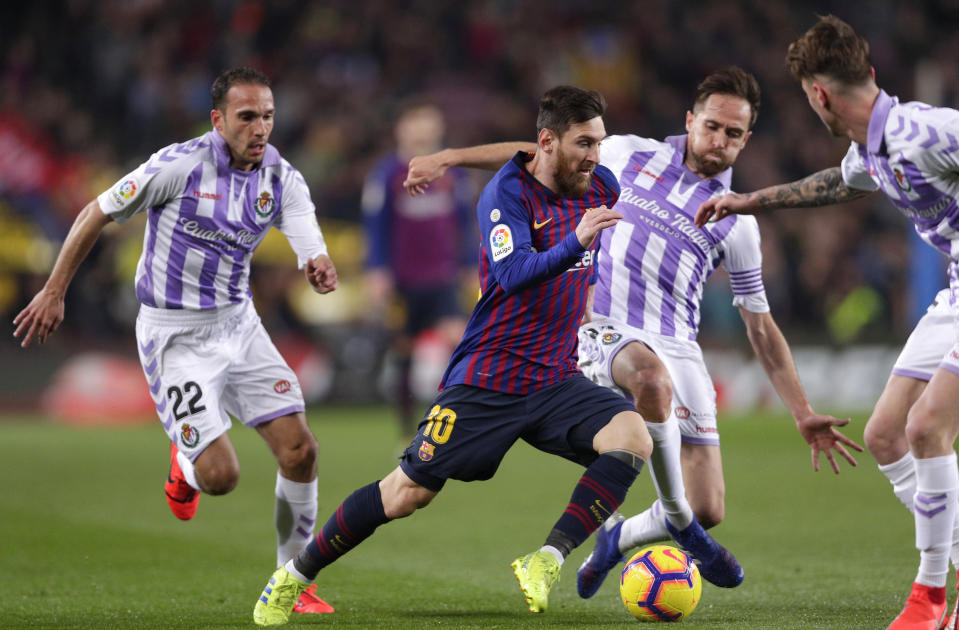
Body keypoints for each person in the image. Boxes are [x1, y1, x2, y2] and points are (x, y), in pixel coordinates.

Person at [404, 66, 862, 599]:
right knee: (649, 379)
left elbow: (761, 327)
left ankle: (621, 535)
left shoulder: (740, 222)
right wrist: (449, 157)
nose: (719, 142)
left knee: (709, 505)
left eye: (733, 134)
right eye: (711, 126)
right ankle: (676, 521)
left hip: (678, 345)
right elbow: (537, 154)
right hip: (603, 325)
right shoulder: (627, 153)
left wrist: (803, 412)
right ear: (690, 120)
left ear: (746, 139)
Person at [252, 85, 652, 626]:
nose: (595, 156)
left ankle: (546, 560)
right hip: (489, 377)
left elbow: (534, 153)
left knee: (632, 440)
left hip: (556, 376)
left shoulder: (598, 182)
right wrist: (576, 242)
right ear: (549, 142)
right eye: (585, 143)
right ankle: (293, 575)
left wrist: (449, 156)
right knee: (405, 494)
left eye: (599, 142)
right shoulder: (505, 195)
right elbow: (512, 277)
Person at [13, 67, 337, 615]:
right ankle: (185, 464)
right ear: (218, 120)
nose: (261, 129)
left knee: (301, 450)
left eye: (268, 116)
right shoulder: (179, 165)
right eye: (247, 117)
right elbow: (97, 211)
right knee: (221, 477)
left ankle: (292, 580)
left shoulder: (281, 178)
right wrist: (54, 290)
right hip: (175, 336)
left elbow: (307, 236)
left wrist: (318, 263)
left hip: (239, 325)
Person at [695, 16, 959, 630]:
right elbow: (837, 185)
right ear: (865, 74)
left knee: (926, 428)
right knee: (887, 434)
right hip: (954, 295)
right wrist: (749, 200)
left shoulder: (931, 132)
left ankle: (930, 599)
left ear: (816, 95)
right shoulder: (872, 148)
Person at [361, 102, 476, 439]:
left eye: (430, 123)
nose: (423, 130)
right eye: (417, 123)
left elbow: (466, 224)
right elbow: (375, 225)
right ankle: (405, 427)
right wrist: (377, 270)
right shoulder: (386, 173)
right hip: (402, 279)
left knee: (458, 340)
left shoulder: (454, 173)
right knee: (404, 349)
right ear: (403, 128)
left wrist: (469, 265)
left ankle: (456, 418)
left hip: (442, 276)